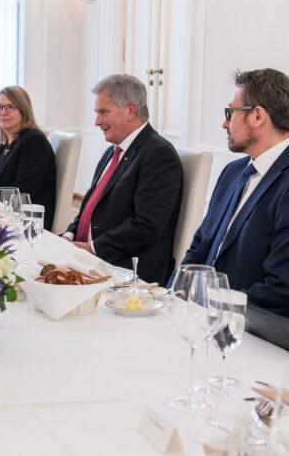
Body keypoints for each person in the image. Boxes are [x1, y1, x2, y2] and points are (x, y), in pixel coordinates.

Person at [179, 68, 289, 318]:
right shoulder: (233, 171)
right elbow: (200, 245)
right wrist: (177, 292)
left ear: (258, 116)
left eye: (231, 112)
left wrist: (210, 305)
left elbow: (281, 288)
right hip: (197, 315)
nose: (225, 123)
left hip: (252, 330)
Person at [63, 74, 183, 285]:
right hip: (89, 259)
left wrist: (93, 248)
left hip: (124, 270)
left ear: (130, 110)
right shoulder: (112, 152)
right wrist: (69, 236)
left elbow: (147, 225)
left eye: (103, 112)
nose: (97, 121)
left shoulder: (158, 154)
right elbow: (90, 210)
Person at [0, 86, 56, 227]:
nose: (3, 112)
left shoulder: (34, 141)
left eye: (10, 107)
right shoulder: (5, 144)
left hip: (25, 223)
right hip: (1, 217)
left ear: (24, 110)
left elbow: (22, 194)